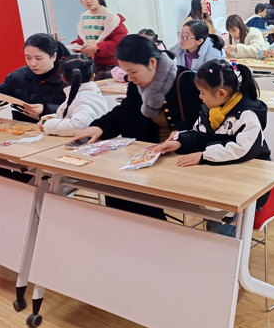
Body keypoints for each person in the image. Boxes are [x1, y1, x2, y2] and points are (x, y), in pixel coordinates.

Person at [72, 35, 203, 220]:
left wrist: (180, 134)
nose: (130, 78)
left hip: (179, 157)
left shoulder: (186, 80)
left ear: (152, 62)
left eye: (133, 72)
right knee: (117, 191)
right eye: (126, 72)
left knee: (138, 199)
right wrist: (101, 127)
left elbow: (200, 120)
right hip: (147, 156)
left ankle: (153, 233)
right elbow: (126, 110)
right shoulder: (137, 85)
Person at [153, 60, 271, 237]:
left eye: (202, 93)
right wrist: (180, 142)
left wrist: (203, 155)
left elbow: (241, 149)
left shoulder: (247, 115)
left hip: (251, 184)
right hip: (222, 177)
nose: (200, 97)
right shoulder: (209, 110)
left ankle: (231, 249)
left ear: (221, 93)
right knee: (211, 212)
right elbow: (199, 134)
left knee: (218, 225)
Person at [0, 33, 71, 122]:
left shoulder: (69, 78)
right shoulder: (18, 76)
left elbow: (77, 110)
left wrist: (46, 109)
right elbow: (0, 92)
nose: (32, 63)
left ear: (54, 56)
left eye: (38, 58)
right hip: (23, 130)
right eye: (28, 58)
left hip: (59, 129)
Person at [39, 54, 109, 137]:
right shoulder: (87, 93)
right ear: (93, 77)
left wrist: (49, 125)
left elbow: (78, 126)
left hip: (86, 143)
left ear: (63, 78)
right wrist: (53, 118)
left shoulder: (81, 99)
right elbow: (74, 114)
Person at [71, 0, 127, 80]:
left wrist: (97, 48)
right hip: (89, 63)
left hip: (109, 65)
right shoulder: (84, 16)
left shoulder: (111, 17)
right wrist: (76, 45)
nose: (88, 0)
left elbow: (119, 42)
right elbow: (85, 38)